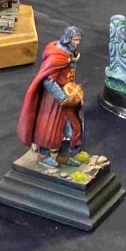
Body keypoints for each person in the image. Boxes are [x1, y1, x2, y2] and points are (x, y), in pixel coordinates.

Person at [17, 26, 84, 169]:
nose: (77, 43)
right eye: (75, 39)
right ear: (68, 39)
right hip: (53, 101)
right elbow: (48, 80)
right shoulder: (57, 56)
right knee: (48, 127)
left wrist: (73, 94)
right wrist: (62, 98)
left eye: (79, 40)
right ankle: (43, 155)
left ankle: (63, 156)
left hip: (67, 97)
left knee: (69, 129)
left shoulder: (70, 53)